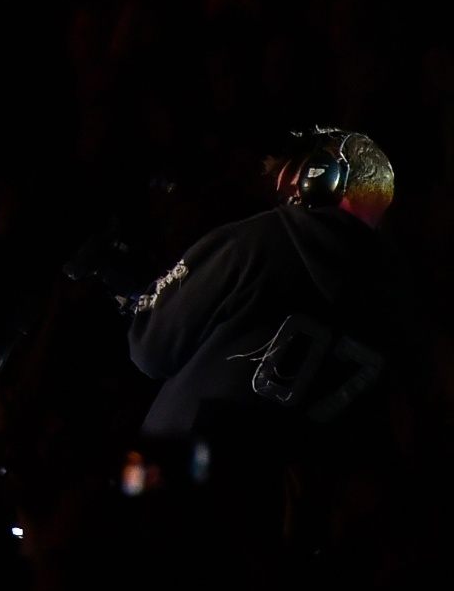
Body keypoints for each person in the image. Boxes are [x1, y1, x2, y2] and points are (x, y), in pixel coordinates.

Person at [124, 128, 420, 439]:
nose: (280, 185)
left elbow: (151, 349)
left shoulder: (254, 241)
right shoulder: (400, 303)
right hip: (282, 483)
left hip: (189, 463)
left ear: (322, 176)